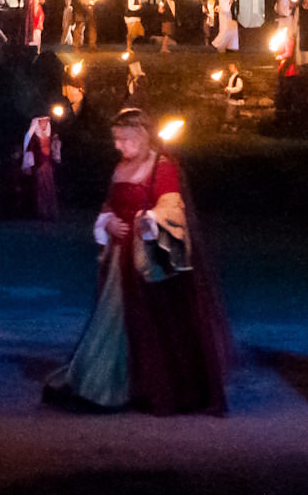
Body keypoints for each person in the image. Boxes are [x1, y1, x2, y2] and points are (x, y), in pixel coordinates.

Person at [44, 108, 229, 414]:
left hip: (146, 259)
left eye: (124, 140)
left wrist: (151, 219)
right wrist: (107, 222)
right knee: (114, 320)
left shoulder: (163, 167)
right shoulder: (121, 168)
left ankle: (147, 386)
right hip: (120, 259)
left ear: (141, 138)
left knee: (149, 323)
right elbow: (110, 203)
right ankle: (103, 383)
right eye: (116, 139)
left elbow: (172, 209)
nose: (118, 146)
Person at [15, 115, 61, 221]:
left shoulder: (50, 135)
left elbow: (54, 149)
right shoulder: (33, 137)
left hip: (48, 166)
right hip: (38, 166)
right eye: (42, 122)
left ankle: (50, 213)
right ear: (38, 123)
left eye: (46, 121)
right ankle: (41, 213)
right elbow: (29, 151)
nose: (44, 124)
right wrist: (28, 166)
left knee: (49, 189)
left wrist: (55, 144)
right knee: (40, 189)